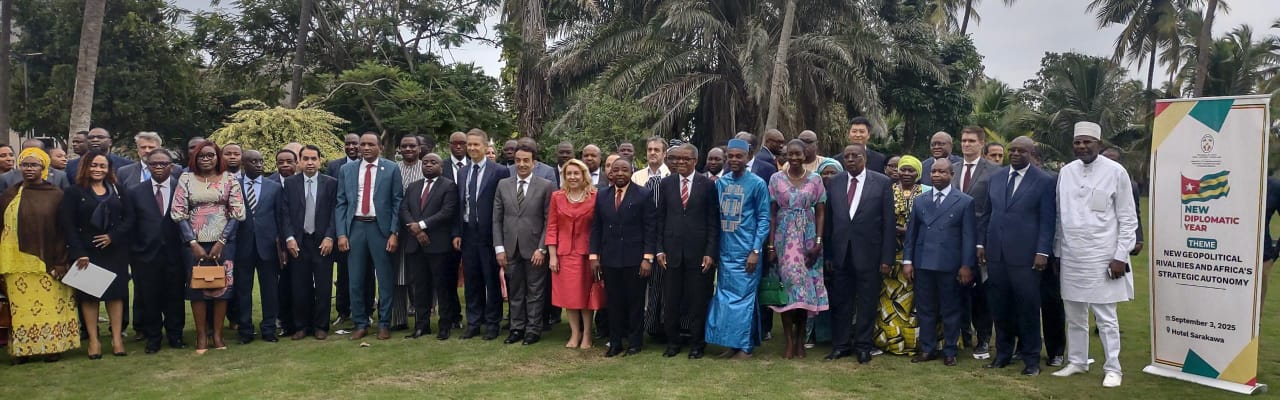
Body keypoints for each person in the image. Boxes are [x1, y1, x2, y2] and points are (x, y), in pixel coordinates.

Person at [1050, 122, 1138, 388]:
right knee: (1074, 314)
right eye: (1077, 142)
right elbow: (1059, 215)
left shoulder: (1116, 172)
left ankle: (1113, 368)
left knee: (1106, 317)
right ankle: (1078, 361)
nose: (1082, 146)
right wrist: (1057, 253)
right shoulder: (1067, 172)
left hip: (1103, 256)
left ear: (1099, 144)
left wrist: (1120, 256)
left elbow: (1128, 218)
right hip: (1072, 255)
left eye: (1087, 142)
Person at [978, 136, 1056, 376]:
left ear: (1031, 154)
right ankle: (1002, 354)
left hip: (1027, 256)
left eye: (1021, 151)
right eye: (1012, 150)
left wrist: (1042, 251)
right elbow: (987, 214)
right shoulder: (997, 177)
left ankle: (1031, 359)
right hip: (996, 255)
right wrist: (981, 244)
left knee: (1028, 308)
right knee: (1000, 307)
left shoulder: (1044, 181)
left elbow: (1047, 220)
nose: (1015, 154)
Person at [0, 148, 79, 363]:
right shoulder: (10, 194)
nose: (29, 169)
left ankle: (52, 347)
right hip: (14, 261)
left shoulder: (55, 195)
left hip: (47, 261)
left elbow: (62, 230)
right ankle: (23, 350)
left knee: (49, 306)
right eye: (25, 164)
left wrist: (61, 262)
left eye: (34, 165)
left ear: (44, 168)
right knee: (20, 309)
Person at [172, 141, 247, 355]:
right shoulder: (186, 179)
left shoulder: (229, 179)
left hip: (224, 242)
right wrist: (192, 242)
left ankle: (218, 335)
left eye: (210, 155)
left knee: (222, 288)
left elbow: (238, 212)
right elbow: (178, 212)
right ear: (195, 158)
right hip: (193, 243)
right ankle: (202, 335)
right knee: (197, 288)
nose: (206, 159)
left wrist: (221, 241)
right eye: (201, 156)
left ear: (217, 157)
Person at [823, 144, 896, 364]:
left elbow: (888, 224)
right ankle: (841, 345)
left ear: (865, 158)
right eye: (847, 156)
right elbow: (829, 222)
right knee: (841, 301)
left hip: (870, 254)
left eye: (855, 156)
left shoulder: (882, 182)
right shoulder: (835, 182)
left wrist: (887, 258)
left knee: (867, 302)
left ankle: (863, 346)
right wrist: (828, 254)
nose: (851, 159)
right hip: (841, 254)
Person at [61, 150, 135, 358]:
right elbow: (68, 224)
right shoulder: (74, 192)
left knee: (116, 295)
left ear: (109, 169)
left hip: (114, 250)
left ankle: (117, 339)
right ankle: (94, 340)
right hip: (87, 252)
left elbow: (130, 218)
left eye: (103, 166)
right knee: (89, 297)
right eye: (94, 165)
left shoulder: (118, 190)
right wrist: (79, 252)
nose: (98, 169)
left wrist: (113, 236)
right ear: (86, 167)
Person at [903, 158, 976, 367]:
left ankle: (950, 350)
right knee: (925, 308)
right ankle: (928, 349)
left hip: (949, 264)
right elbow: (911, 234)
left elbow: (968, 237)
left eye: (942, 172)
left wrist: (966, 265)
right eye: (934, 171)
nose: (936, 175)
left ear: (951, 175)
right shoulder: (920, 200)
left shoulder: (964, 201)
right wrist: (908, 261)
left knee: (950, 309)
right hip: (923, 262)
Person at [705, 139, 771, 359]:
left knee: (744, 300)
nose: (734, 160)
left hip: (747, 252)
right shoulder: (721, 183)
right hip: (726, 251)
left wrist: (756, 250)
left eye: (738, 156)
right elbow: (715, 219)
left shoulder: (757, 184)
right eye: (730, 156)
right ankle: (733, 344)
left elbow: (764, 219)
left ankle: (745, 348)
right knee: (726, 299)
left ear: (748, 157)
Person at [336, 132, 404, 341]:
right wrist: (341, 234)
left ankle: (384, 324)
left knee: (384, 279)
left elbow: (397, 202)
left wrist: (394, 233)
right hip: (355, 227)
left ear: (380, 147)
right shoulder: (347, 170)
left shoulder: (391, 168)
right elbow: (341, 202)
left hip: (380, 229)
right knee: (355, 280)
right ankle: (360, 323)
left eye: (370, 144)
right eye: (363, 144)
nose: (365, 148)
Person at [654, 144, 719, 359]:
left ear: (695, 161)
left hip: (699, 254)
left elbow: (713, 222)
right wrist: (659, 249)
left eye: (686, 159)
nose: (680, 162)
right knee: (671, 301)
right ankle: (673, 343)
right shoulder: (666, 184)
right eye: (677, 159)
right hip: (671, 253)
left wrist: (710, 252)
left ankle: (697, 344)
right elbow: (660, 218)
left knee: (697, 302)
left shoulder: (707, 185)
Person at [766, 140, 829, 359]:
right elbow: (771, 213)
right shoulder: (776, 179)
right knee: (788, 290)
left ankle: (801, 339)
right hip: (784, 240)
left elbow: (821, 211)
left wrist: (818, 241)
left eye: (798, 154)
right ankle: (789, 342)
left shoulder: (815, 179)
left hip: (808, 238)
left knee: (805, 291)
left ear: (805, 155)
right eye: (790, 154)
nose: (793, 158)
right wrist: (771, 245)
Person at [591, 158, 656, 357]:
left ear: (631, 171)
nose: (620, 173)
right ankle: (615, 342)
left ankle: (635, 343)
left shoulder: (643, 194)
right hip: (610, 258)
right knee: (613, 302)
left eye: (624, 170)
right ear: (610, 172)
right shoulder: (602, 195)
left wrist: (647, 258)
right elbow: (596, 227)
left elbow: (650, 228)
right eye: (616, 169)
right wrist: (594, 256)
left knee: (635, 302)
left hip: (635, 259)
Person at [493, 144, 554, 345]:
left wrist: (542, 248)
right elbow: (497, 219)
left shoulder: (545, 186)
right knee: (515, 291)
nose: (521, 164)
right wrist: (499, 248)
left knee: (535, 291)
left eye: (526, 160)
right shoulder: (503, 184)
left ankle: (533, 330)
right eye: (518, 160)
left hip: (535, 248)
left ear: (534, 163)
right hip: (510, 248)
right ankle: (516, 328)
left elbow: (549, 220)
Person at [127, 149, 187, 353]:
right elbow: (131, 224)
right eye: (154, 164)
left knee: (175, 297)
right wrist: (136, 251)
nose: (159, 167)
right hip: (146, 255)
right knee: (149, 298)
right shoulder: (135, 192)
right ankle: (153, 338)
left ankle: (175, 335)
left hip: (175, 253)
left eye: (163, 164)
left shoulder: (181, 188)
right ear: (148, 166)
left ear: (172, 166)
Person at [454, 128, 510, 340]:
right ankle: (474, 323)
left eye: (476, 144)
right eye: (469, 144)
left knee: (491, 279)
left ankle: (493, 323)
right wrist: (458, 232)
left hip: (489, 233)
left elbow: (502, 205)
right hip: (468, 232)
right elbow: (461, 204)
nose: (472, 148)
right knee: (472, 280)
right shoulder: (463, 172)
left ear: (486, 147)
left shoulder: (499, 171)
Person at [282, 145, 339, 340]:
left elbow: (335, 212)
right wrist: (289, 238)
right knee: (300, 286)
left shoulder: (331, 183)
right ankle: (301, 326)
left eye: (313, 158)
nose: (309, 162)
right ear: (299, 161)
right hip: (299, 242)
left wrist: (330, 236)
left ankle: (321, 326)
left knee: (323, 287)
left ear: (320, 161)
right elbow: (285, 213)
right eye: (305, 158)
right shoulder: (290, 183)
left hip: (323, 242)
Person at [399, 153, 458, 339]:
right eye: (425, 163)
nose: (428, 165)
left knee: (442, 287)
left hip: (438, 245)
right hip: (415, 245)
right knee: (420, 287)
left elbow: (447, 212)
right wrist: (417, 231)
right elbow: (404, 209)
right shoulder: (413, 186)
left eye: (433, 162)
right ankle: (421, 325)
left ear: (441, 167)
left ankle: (444, 326)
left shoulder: (448, 186)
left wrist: (422, 225)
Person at [547, 159, 603, 349]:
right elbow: (552, 227)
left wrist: (597, 254)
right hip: (564, 254)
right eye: (568, 173)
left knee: (586, 296)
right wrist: (552, 255)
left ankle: (587, 334)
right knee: (569, 296)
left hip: (587, 254)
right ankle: (574, 333)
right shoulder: (557, 197)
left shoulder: (595, 196)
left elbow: (598, 228)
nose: (572, 177)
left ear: (584, 175)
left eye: (576, 173)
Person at [233, 150, 288, 344]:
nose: (258, 165)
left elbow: (281, 217)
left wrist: (282, 245)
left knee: (270, 290)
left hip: (268, 246)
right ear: (243, 164)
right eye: (253, 161)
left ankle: (269, 329)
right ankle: (245, 330)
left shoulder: (274, 187)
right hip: (242, 246)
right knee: (243, 290)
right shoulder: (234, 185)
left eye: (261, 161)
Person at [954, 126, 998, 360]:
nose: (966, 144)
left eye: (971, 141)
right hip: (953, 239)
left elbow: (991, 210)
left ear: (981, 144)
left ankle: (983, 338)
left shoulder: (994, 171)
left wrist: (982, 242)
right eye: (963, 140)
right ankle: (962, 335)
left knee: (981, 293)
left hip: (981, 238)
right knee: (957, 290)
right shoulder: (952, 168)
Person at [874, 155, 923, 357]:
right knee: (888, 296)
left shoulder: (926, 192)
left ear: (918, 173)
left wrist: (908, 231)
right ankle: (889, 341)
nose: (906, 173)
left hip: (917, 252)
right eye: (903, 169)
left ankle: (915, 343)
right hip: (891, 252)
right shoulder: (887, 191)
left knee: (915, 299)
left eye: (911, 170)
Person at [326, 133, 365, 327]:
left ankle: (367, 309)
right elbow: (334, 198)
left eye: (354, 143)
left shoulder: (369, 166)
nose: (351, 147)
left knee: (366, 271)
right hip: (342, 226)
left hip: (363, 224)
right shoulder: (335, 166)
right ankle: (343, 310)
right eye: (348, 143)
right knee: (343, 272)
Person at [390, 136, 427, 331]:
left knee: (422, 277)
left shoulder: (427, 167)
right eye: (404, 146)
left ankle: (423, 318)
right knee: (398, 277)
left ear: (419, 148)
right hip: (398, 230)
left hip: (423, 230)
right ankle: (399, 319)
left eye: (412, 146)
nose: (408, 149)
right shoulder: (392, 169)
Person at [1101, 147, 1144, 256]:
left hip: (1120, 235)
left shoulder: (1130, 185)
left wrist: (1138, 238)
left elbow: (1134, 212)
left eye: (1113, 161)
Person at [0, 139, 71, 192]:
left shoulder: (59, 176)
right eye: (27, 152)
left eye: (37, 152)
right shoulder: (7, 178)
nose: (31, 155)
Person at [65, 128, 132, 181]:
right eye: (90, 138)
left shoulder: (126, 165)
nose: (95, 140)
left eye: (100, 137)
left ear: (110, 142)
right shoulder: (71, 165)